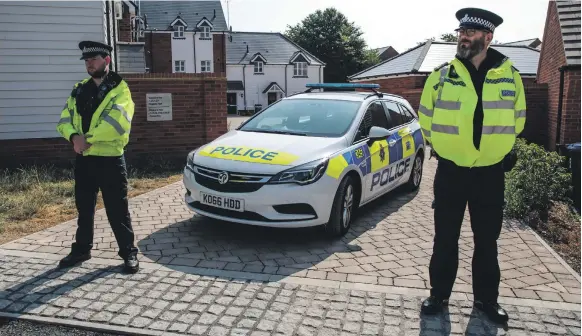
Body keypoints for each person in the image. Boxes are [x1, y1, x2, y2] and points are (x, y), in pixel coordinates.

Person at [417, 8, 526, 324]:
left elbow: (518, 119)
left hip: (490, 173)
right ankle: (438, 296)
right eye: (460, 32)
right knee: (445, 238)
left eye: (471, 33)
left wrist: (500, 149)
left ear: (488, 38)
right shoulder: (441, 75)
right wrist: (442, 148)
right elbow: (426, 116)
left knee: (487, 240)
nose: (462, 37)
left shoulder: (511, 76)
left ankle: (486, 302)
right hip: (451, 172)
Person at [56, 41, 139, 273]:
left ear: (107, 60)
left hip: (110, 159)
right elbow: (64, 119)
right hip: (84, 159)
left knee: (117, 208)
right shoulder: (79, 89)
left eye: (94, 59)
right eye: (86, 60)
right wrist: (73, 136)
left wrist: (87, 140)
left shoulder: (119, 88)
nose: (89, 63)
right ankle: (82, 248)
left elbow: (118, 122)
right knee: (84, 208)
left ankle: (128, 252)